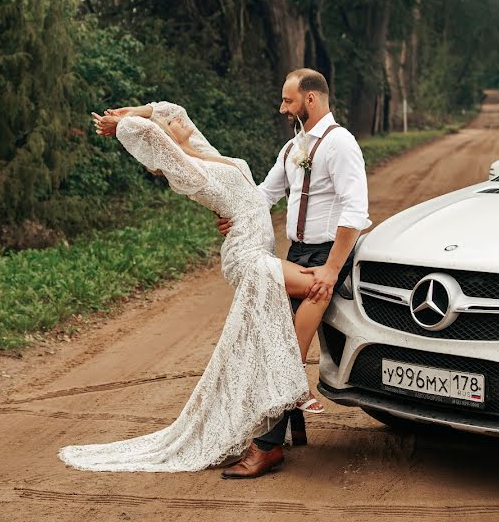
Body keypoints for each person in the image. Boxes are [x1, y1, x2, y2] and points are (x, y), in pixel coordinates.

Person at [57, 100, 331, 473]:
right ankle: (295, 385)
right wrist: (125, 123)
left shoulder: (206, 154)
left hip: (260, 251)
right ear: (167, 142)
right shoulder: (192, 172)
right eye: (171, 126)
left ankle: (283, 413)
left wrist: (139, 110)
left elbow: (175, 110)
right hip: (248, 259)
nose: (178, 122)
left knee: (278, 323)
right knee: (322, 283)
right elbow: (149, 134)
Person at [217, 68, 370, 479]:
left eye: (288, 101)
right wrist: (238, 217)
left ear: (311, 100)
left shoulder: (341, 144)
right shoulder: (293, 147)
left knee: (284, 349)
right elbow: (265, 193)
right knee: (277, 339)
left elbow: (355, 211)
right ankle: (288, 429)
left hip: (328, 256)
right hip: (297, 252)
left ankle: (267, 448)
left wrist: (332, 269)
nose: (283, 107)